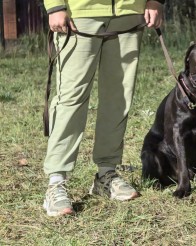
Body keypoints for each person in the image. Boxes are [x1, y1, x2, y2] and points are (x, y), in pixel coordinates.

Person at [42, 0, 165, 217]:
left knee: (119, 98)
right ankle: (56, 181)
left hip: (129, 12)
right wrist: (55, 6)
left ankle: (106, 174)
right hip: (78, 13)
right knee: (71, 98)